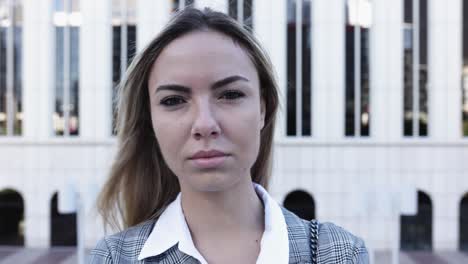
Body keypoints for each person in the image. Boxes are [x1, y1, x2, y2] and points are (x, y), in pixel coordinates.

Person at [89, 7, 368, 264]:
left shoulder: (339, 253)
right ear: (149, 120)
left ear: (263, 108)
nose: (204, 123)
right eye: (173, 100)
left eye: (230, 94)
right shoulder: (114, 257)